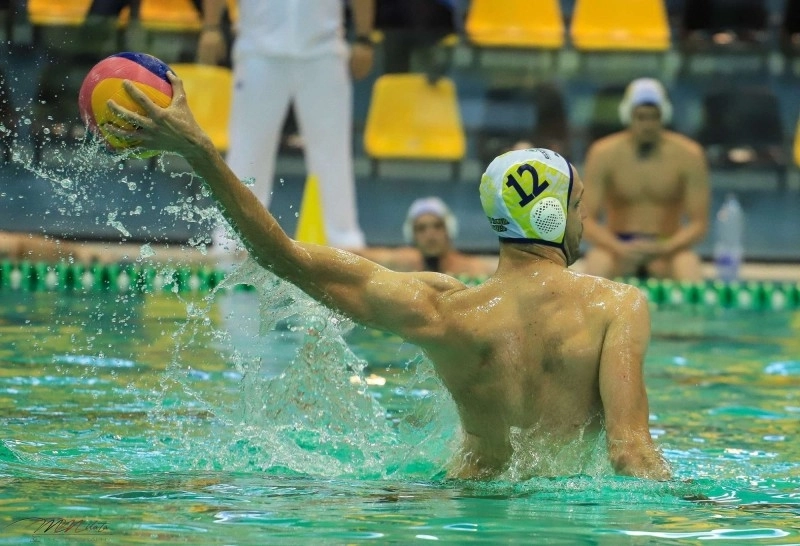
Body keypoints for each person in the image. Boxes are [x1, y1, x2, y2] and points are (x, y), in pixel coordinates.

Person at [105, 73, 672, 481]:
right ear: (550, 214)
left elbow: (281, 256)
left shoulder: (446, 311)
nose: (583, 220)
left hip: (462, 504)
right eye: (577, 206)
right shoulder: (616, 306)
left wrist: (201, 152)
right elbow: (630, 454)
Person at [197, 0, 374, 250]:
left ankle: (344, 241)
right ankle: (232, 241)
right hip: (258, 49)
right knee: (248, 152)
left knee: (333, 152)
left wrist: (364, 37)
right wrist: (211, 26)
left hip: (324, 50)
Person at [582, 78, 710, 281]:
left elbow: (698, 224)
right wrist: (619, 248)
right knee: (598, 262)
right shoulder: (603, 154)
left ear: (664, 116)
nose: (647, 125)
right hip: (617, 248)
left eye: (654, 117)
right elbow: (586, 220)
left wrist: (665, 248)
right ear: (628, 116)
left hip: (667, 248)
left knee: (688, 266)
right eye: (641, 117)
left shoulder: (688, 155)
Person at [356, 196, 497, 276]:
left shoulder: (472, 269)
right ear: (412, 236)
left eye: (437, 226)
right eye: (421, 229)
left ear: (449, 230)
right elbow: (359, 255)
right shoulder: (404, 263)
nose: (430, 235)